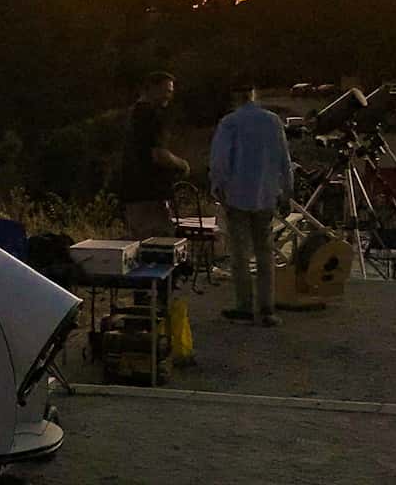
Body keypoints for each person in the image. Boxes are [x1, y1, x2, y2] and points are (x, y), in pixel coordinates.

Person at [209, 77, 294, 329]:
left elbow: (220, 160)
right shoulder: (273, 121)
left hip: (236, 194)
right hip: (266, 194)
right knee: (265, 252)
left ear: (236, 97)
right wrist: (286, 191)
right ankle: (267, 307)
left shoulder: (230, 123)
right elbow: (284, 159)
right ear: (254, 94)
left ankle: (244, 306)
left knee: (240, 253)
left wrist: (218, 186)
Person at [119, 71, 191, 240]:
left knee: (141, 244)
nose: (170, 95)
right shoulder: (151, 116)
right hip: (150, 194)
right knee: (159, 243)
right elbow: (158, 154)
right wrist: (182, 165)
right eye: (166, 90)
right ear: (151, 89)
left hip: (133, 192)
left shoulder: (133, 114)